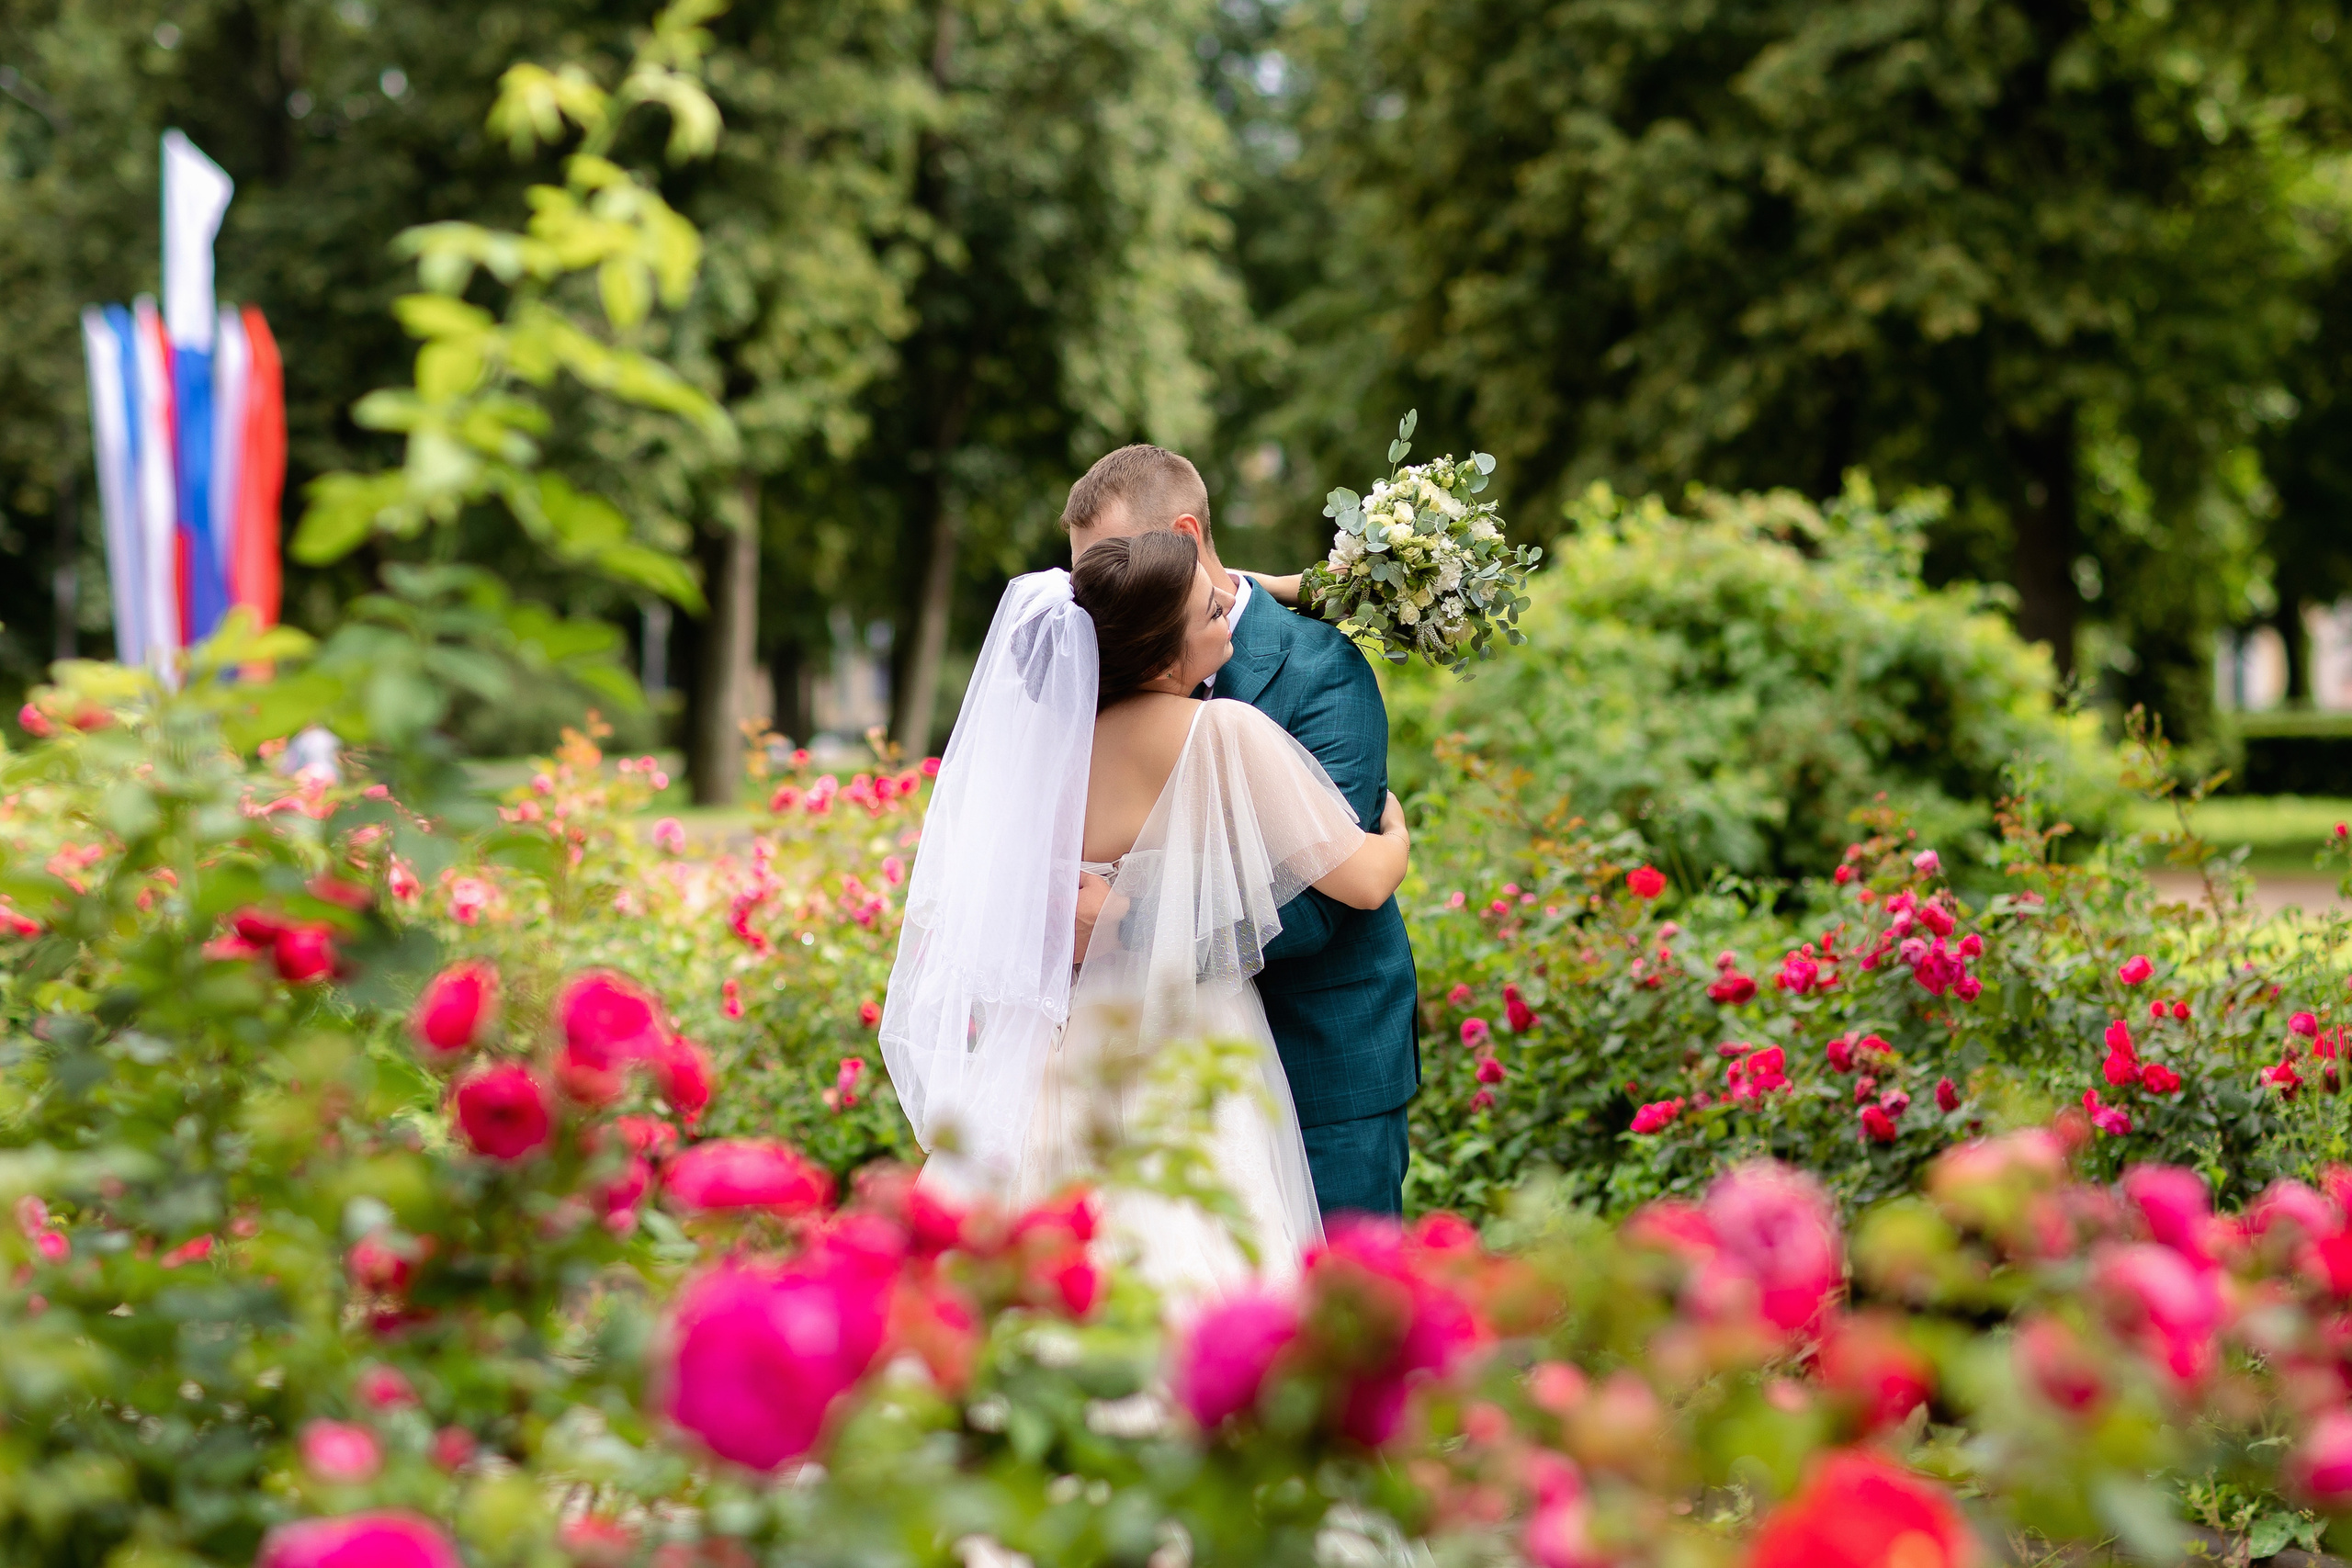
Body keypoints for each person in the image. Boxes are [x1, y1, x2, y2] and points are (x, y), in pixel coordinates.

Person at [879, 528, 1410, 1293]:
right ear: (1167, 659)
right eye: (1209, 612)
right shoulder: (1220, 731)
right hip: (1187, 1032)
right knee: (1201, 1244)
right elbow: (1361, 881)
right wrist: (1394, 830)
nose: (1229, 610)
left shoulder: (1051, 749)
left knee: (1069, 1239)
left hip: (1070, 1044)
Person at [1063, 446, 1422, 1222]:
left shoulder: (1319, 667)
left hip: (1318, 1054)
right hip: (1153, 1069)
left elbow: (1323, 906)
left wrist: (1123, 926)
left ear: (1182, 542)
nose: (1094, 601)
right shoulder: (1086, 687)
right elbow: (1365, 869)